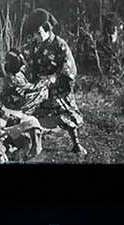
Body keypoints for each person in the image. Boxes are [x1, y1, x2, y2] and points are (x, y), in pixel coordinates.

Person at [21, 8, 87, 155]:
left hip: (58, 87)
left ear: (47, 29)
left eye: (39, 33)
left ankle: (76, 143)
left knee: (67, 113)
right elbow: (27, 64)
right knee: (25, 110)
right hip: (40, 86)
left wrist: (54, 78)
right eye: (34, 34)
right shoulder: (33, 46)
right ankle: (31, 141)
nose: (36, 37)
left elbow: (68, 68)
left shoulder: (60, 45)